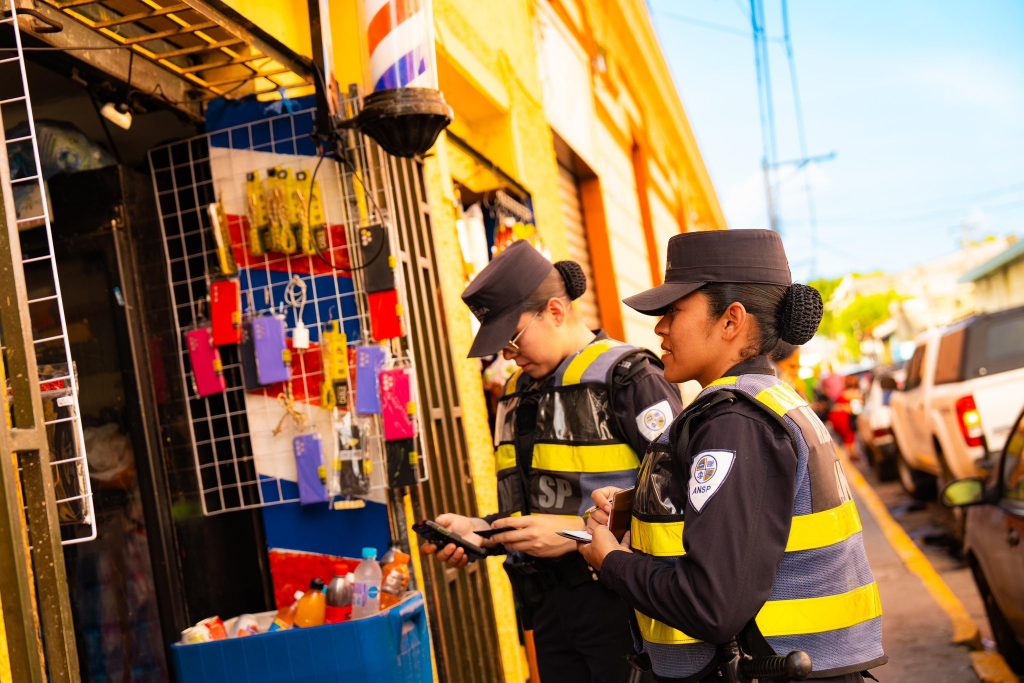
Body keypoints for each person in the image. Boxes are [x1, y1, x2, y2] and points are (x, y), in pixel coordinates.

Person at [580, 230, 886, 682]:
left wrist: (611, 561)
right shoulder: (769, 400)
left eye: (674, 311)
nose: (660, 327)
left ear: (731, 321)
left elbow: (712, 604)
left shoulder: (736, 422)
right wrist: (642, 507)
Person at [421, 240, 683, 682]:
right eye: (499, 344)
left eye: (513, 337)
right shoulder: (517, 393)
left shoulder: (630, 378)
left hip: (621, 604)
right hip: (549, 610)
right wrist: (482, 532)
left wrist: (580, 535)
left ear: (556, 311)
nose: (507, 354)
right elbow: (535, 509)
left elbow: (681, 497)